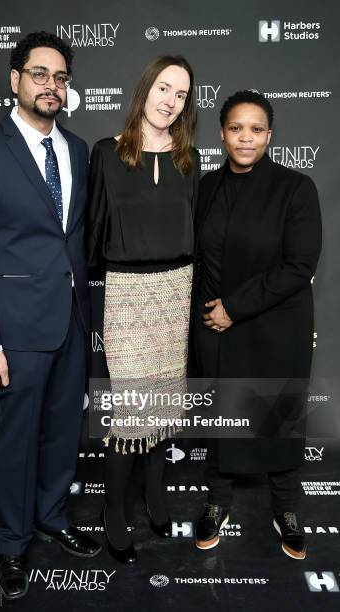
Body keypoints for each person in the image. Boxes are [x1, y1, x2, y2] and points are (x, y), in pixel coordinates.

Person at [0, 31, 101, 601]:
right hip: (15, 329)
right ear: (14, 80)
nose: (52, 86)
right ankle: (11, 542)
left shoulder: (79, 150)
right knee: (18, 438)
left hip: (72, 318)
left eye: (61, 77)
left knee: (64, 429)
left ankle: (53, 516)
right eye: (40, 74)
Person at [191, 90, 322, 559]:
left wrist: (235, 306)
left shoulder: (295, 188)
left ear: (270, 134)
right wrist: (208, 312)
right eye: (235, 128)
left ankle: (286, 506)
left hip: (274, 324)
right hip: (215, 325)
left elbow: (299, 264)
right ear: (222, 133)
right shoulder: (205, 186)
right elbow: (199, 259)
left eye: (256, 129)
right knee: (221, 418)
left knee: (277, 416)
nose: (245, 138)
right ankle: (216, 501)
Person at [87, 55, 200, 563]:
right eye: (163, 88)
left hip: (176, 292)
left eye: (180, 95)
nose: (170, 101)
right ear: (144, 89)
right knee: (132, 412)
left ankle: (155, 500)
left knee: (164, 408)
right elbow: (92, 233)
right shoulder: (107, 154)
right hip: (128, 293)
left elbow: (193, 232)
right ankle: (115, 510)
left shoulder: (187, 159)